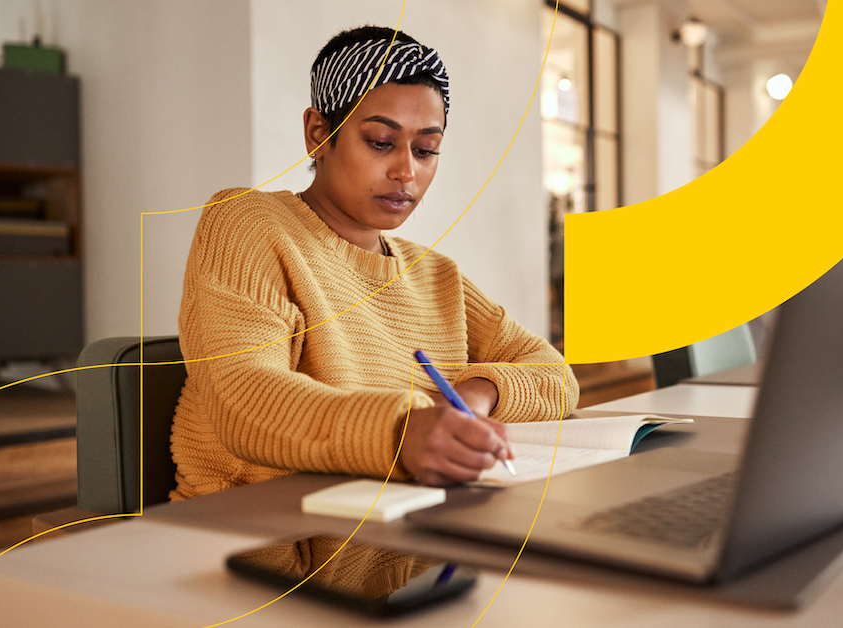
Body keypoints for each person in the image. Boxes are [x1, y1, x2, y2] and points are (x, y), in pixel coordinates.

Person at [169, 26, 578, 500]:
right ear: (318, 134)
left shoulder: (435, 274)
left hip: (408, 541)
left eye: (426, 150)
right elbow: (241, 397)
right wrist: (402, 434)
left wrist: (477, 393)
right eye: (382, 142)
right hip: (268, 549)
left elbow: (555, 375)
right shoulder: (249, 224)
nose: (407, 171)